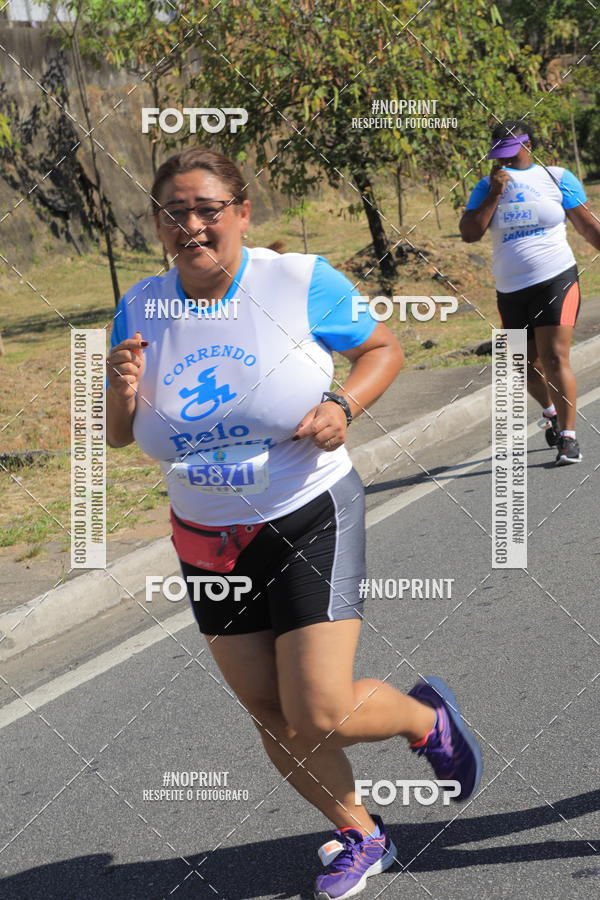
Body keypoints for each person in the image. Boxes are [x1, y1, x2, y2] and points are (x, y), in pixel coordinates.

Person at [107, 147, 482, 899]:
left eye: (208, 209)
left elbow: (382, 347)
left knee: (317, 709)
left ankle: (424, 721)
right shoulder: (141, 306)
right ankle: (361, 833)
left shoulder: (297, 281)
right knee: (269, 712)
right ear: (157, 224)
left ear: (241, 213)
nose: (191, 226)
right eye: (173, 213)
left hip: (306, 512)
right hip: (205, 540)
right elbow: (120, 435)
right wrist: (118, 390)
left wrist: (344, 406)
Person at [460, 120, 600, 465]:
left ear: (529, 146)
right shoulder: (486, 185)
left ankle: (568, 437)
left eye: (511, 152)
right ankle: (551, 412)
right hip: (510, 288)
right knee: (523, 363)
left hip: (556, 278)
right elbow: (469, 233)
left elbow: (586, 224)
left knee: (554, 357)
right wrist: (493, 193)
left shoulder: (556, 177)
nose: (505, 160)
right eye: (499, 155)